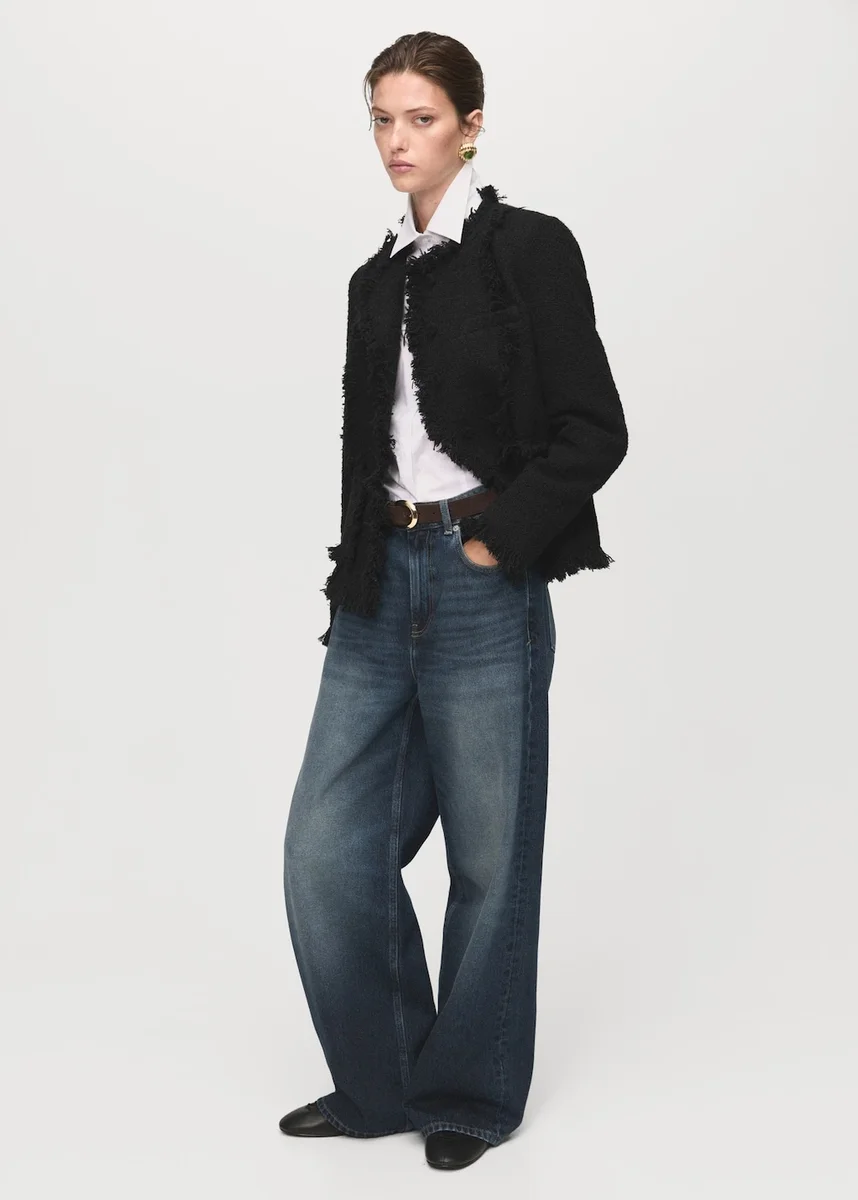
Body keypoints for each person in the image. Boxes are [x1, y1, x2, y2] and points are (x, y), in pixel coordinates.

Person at [280, 31, 628, 1172]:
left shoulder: (528, 248)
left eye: (420, 119)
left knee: (488, 859)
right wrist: (359, 574)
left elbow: (594, 429)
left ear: (470, 127)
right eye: (382, 120)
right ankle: (381, 1082)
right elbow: (365, 451)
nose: (397, 141)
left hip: (481, 582)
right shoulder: (372, 278)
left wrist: (495, 542)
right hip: (381, 582)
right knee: (326, 849)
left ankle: (469, 1097)